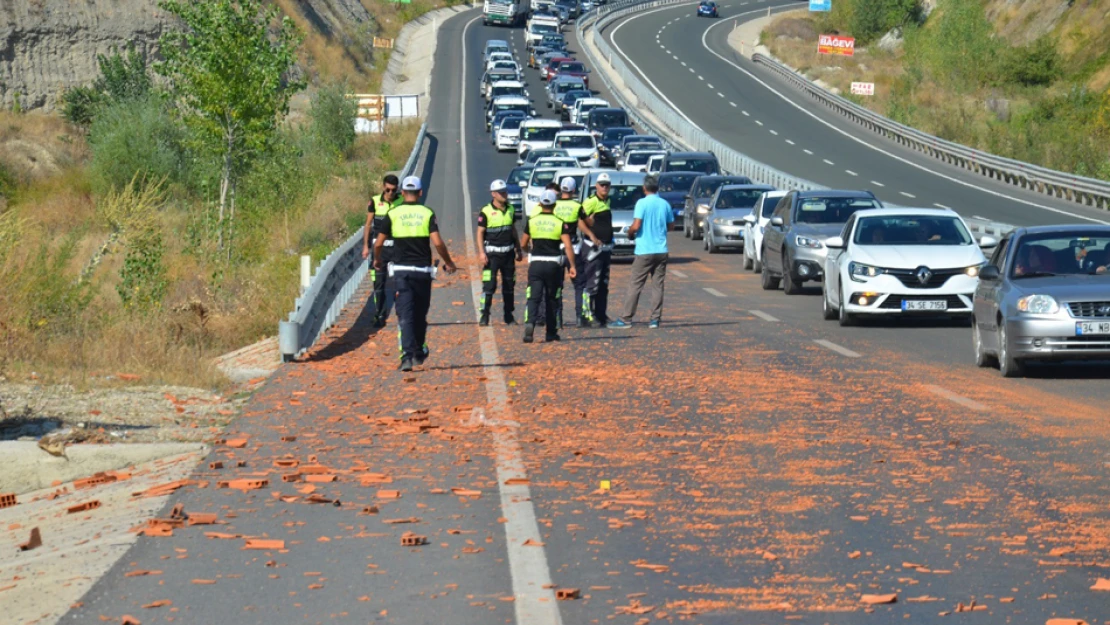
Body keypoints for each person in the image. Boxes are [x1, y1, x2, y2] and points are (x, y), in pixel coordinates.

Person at [373, 176, 457, 372]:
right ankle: (417, 350)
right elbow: (437, 243)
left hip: (401, 272)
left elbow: (378, 243)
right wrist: (449, 262)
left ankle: (408, 355)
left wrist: (377, 260)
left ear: (402, 193)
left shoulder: (393, 214)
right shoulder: (427, 213)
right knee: (420, 314)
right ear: (420, 193)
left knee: (405, 314)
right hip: (423, 272)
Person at [608, 175, 673, 329]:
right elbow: (671, 226)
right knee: (658, 285)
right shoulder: (665, 204)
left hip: (644, 250)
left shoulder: (641, 203)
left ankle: (626, 318)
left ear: (644, 188)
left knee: (635, 285)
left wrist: (630, 233)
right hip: (661, 249)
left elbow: (636, 225)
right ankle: (655, 319)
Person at [520, 189, 577, 344]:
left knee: (534, 296)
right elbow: (568, 246)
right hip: (554, 265)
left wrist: (529, 251)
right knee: (552, 298)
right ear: (554, 205)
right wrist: (572, 265)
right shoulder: (560, 223)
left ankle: (530, 323)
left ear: (540, 203)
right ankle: (550, 333)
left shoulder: (532, 221)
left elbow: (523, 243)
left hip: (536, 264)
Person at [553, 177, 601, 327]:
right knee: (579, 284)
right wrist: (591, 218)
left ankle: (557, 318)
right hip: (573, 248)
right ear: (574, 190)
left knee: (557, 285)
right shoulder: (576, 206)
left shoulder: (553, 205)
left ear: (561, 189)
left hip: (556, 248)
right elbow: (588, 222)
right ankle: (580, 317)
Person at [477, 179, 522, 326]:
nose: (505, 195)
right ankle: (484, 314)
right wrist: (482, 253)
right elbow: (480, 233)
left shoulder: (510, 209)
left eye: (505, 192)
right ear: (493, 194)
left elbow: (513, 230)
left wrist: (518, 248)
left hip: (508, 254)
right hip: (492, 255)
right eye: (501, 192)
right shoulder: (486, 211)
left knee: (509, 285)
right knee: (489, 286)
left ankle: (508, 315)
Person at [362, 175, 403, 327]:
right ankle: (379, 313)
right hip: (379, 248)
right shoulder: (374, 201)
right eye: (388, 189)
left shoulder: (402, 201)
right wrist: (365, 246)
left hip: (398, 248)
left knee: (400, 282)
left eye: (393, 190)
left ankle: (401, 313)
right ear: (383, 187)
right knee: (378, 283)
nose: (390, 192)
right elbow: (368, 225)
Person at [575, 173, 615, 326]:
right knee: (592, 283)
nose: (604, 187)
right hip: (593, 249)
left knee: (603, 284)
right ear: (596, 186)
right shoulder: (591, 202)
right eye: (602, 184)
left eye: (607, 185)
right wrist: (591, 235)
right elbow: (580, 221)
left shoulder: (608, 200)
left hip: (605, 248)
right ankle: (587, 315)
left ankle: (601, 314)